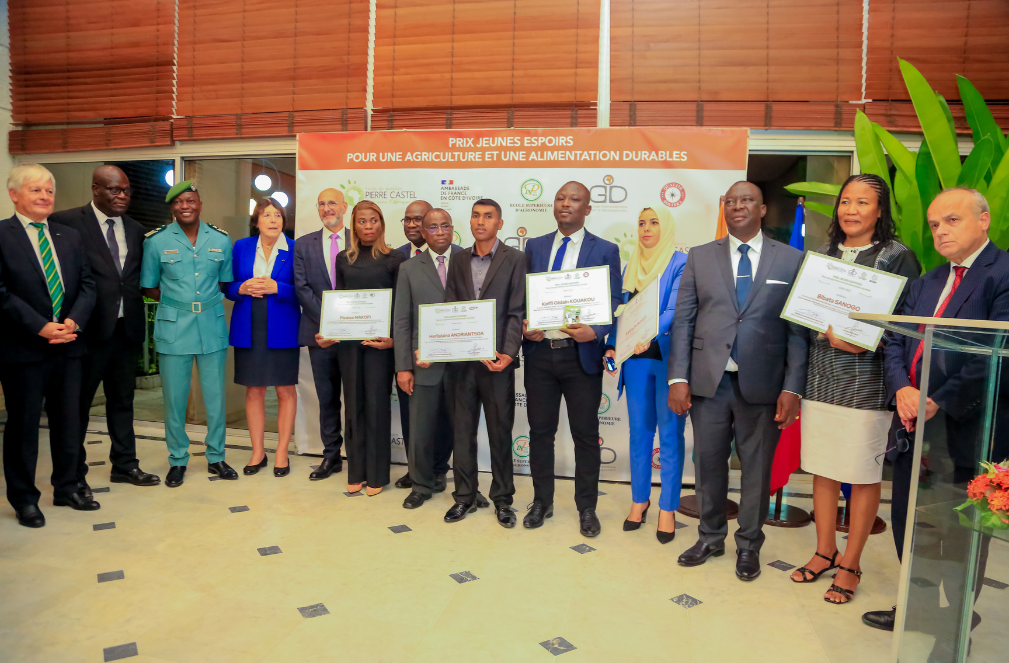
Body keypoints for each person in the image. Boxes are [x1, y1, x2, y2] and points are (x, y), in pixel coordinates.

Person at [863, 188, 1009, 661]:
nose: (941, 231)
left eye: (951, 220)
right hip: (914, 427)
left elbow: (999, 355)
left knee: (959, 535)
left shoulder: (1003, 274)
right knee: (911, 523)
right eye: (934, 224)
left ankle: (954, 626)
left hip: (969, 428)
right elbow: (896, 340)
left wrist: (938, 400)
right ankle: (919, 610)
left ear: (983, 220)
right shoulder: (928, 281)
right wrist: (901, 391)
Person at [788, 175, 920, 602]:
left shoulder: (898, 257)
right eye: (845, 201)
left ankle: (852, 562)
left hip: (868, 381)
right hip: (822, 377)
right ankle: (825, 550)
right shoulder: (822, 254)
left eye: (862, 202)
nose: (850, 210)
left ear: (880, 211)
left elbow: (906, 323)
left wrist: (868, 340)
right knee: (823, 467)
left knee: (862, 474)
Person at [668, 181, 807, 581]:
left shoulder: (791, 259)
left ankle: (749, 546)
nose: (738, 206)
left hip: (764, 386)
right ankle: (710, 538)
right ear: (723, 208)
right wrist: (679, 377)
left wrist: (792, 387)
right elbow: (684, 321)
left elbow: (798, 330)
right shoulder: (699, 257)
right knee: (709, 465)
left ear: (762, 209)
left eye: (747, 200)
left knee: (756, 471)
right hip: (709, 384)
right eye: (730, 201)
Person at [50, 165, 160, 493]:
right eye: (115, 190)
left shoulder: (139, 230)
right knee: (77, 405)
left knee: (122, 401)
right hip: (85, 333)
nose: (122, 196)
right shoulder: (66, 222)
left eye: (126, 190)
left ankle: (125, 465)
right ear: (96, 189)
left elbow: (138, 281)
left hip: (126, 332)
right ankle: (74, 473)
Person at [521, 182, 621, 538]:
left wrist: (594, 332)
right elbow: (523, 298)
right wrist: (524, 326)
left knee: (585, 435)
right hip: (539, 355)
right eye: (561, 198)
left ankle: (586, 508)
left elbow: (613, 303)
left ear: (587, 209)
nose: (566, 204)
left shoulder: (606, 249)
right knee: (540, 434)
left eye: (574, 199)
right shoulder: (534, 246)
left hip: (581, 358)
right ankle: (541, 502)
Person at [1, 164, 97, 527]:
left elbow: (87, 284)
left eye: (48, 191)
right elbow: (2, 294)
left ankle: (68, 486)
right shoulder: (2, 235)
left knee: (69, 422)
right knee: (24, 427)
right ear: (14, 194)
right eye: (35, 190)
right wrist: (41, 327)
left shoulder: (68, 236)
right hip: (24, 350)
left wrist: (74, 320)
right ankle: (24, 498)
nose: (44, 196)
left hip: (69, 344)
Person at [140, 180, 236, 487]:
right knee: (175, 400)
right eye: (179, 202)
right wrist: (179, 304)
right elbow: (149, 286)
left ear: (200, 203)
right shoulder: (156, 242)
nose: (186, 206)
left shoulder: (220, 240)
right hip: (174, 328)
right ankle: (178, 459)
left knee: (215, 398)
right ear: (172, 207)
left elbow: (224, 282)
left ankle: (216, 457)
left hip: (211, 326)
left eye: (191, 200)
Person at [604, 206, 689, 543]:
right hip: (636, 364)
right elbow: (621, 313)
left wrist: (649, 333)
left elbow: (675, 309)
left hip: (668, 362)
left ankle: (667, 508)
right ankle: (640, 501)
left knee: (670, 437)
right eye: (641, 223)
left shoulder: (681, 263)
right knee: (639, 434)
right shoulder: (632, 265)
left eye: (654, 222)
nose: (646, 229)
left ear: (665, 227)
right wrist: (612, 346)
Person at [443, 198, 526, 527]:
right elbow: (450, 305)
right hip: (463, 362)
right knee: (462, 432)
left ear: (499, 223)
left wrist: (507, 354)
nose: (481, 221)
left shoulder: (515, 259)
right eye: (476, 215)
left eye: (488, 216)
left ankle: (503, 499)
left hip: (497, 363)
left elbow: (517, 310)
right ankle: (464, 496)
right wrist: (449, 345)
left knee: (499, 432)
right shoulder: (459, 259)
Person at [332, 200, 405, 496]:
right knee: (353, 406)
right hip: (349, 344)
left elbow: (400, 305)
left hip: (379, 345)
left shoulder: (395, 258)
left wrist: (391, 340)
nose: (368, 226)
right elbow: (339, 299)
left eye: (373, 221)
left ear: (382, 224)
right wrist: (331, 329)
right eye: (362, 221)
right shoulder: (342, 259)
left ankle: (376, 474)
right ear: (354, 225)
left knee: (376, 406)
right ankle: (356, 471)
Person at [226, 198, 300, 477]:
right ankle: (258, 451)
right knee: (254, 390)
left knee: (285, 390)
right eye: (266, 215)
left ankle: (282, 451)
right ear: (256, 221)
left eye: (278, 215)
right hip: (249, 326)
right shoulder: (241, 247)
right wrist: (241, 288)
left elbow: (303, 291)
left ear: (283, 221)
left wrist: (278, 287)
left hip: (283, 327)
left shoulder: (295, 249)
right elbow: (227, 286)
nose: (272, 219)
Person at [393, 208, 461, 507]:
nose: (440, 231)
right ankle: (420, 485)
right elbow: (402, 321)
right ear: (424, 232)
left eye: (444, 225)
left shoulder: (468, 260)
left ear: (452, 228)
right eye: (432, 227)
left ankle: (440, 472)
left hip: (462, 361)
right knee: (421, 426)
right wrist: (403, 366)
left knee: (453, 425)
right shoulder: (409, 268)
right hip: (423, 364)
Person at [293, 188, 352, 481]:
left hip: (355, 336)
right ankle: (331, 456)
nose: (327, 208)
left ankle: (359, 455)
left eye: (332, 203)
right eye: (321, 204)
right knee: (327, 398)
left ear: (344, 206)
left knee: (355, 398)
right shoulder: (303, 245)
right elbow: (301, 288)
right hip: (319, 334)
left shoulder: (361, 239)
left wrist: (345, 324)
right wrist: (329, 322)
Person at [393, 198, 433, 490]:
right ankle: (414, 469)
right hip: (406, 353)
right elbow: (398, 314)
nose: (411, 225)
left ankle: (440, 469)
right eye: (407, 219)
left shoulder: (457, 256)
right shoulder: (394, 258)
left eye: (417, 219)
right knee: (411, 416)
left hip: (446, 357)